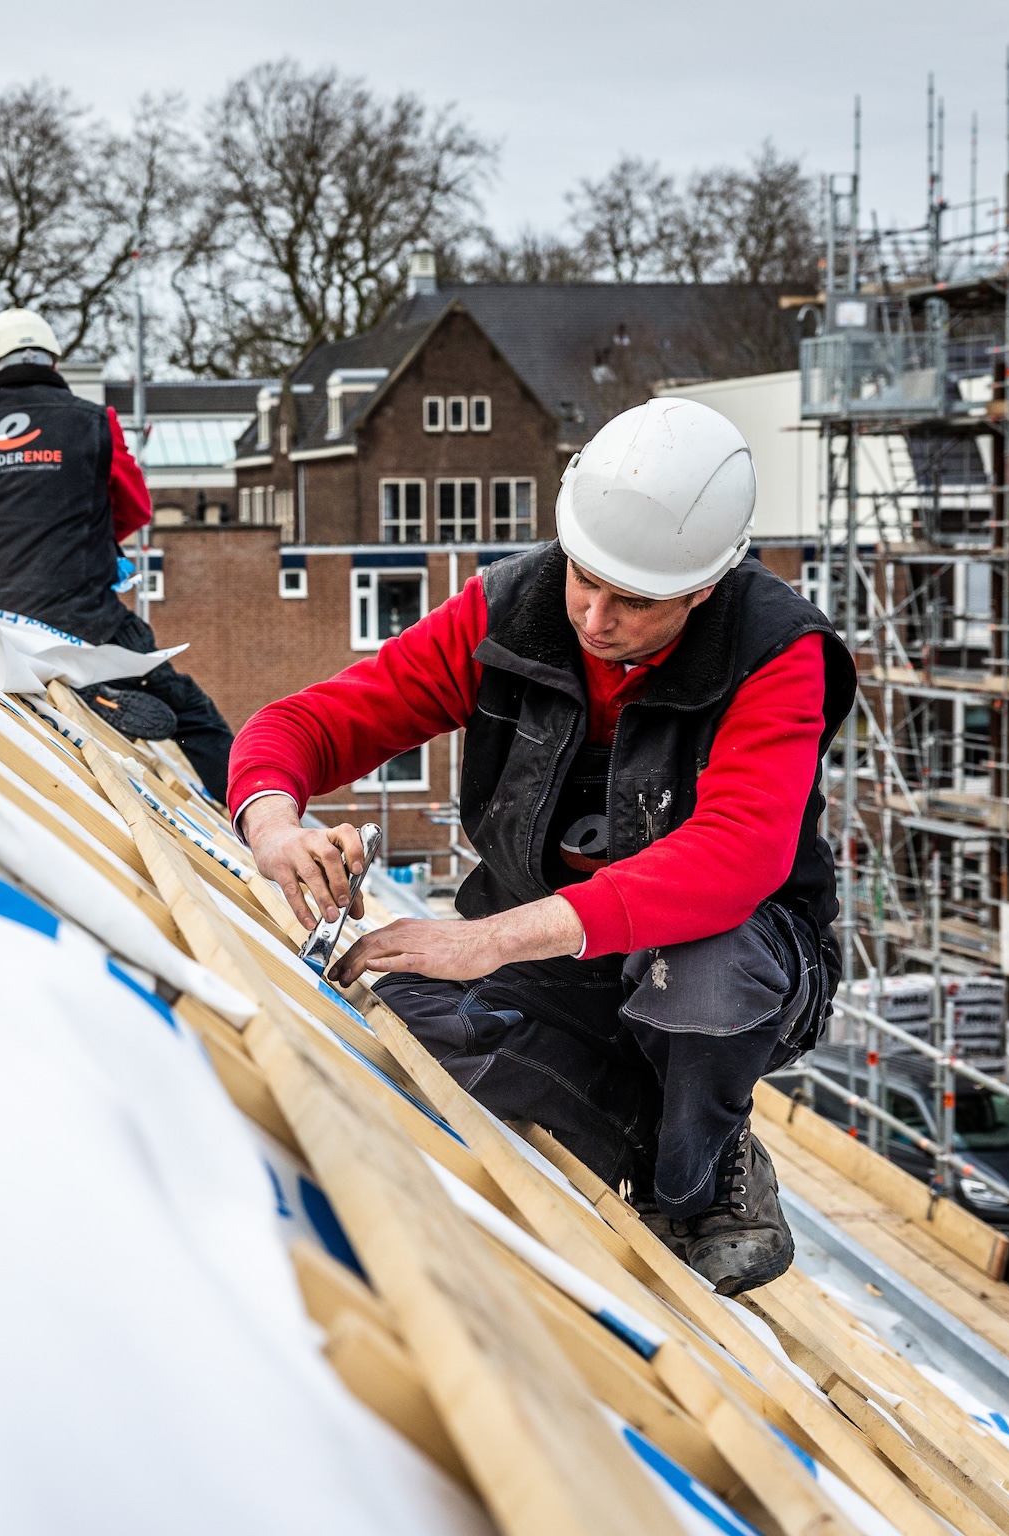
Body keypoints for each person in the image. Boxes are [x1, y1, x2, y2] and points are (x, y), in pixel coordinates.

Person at [228, 398, 856, 1296]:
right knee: (403, 1020)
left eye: (634, 602)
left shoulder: (774, 652)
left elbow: (735, 857)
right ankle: (642, 1132)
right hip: (553, 953)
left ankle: (697, 1186)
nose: (595, 619)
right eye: (583, 578)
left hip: (735, 958)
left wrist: (486, 938)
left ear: (704, 588)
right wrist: (272, 818)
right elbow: (312, 721)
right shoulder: (512, 608)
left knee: (703, 978)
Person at [0, 308, 234, 800]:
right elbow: (135, 508)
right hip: (82, 616)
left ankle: (82, 687)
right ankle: (249, 817)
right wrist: (84, 534)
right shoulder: (94, 422)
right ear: (53, 362)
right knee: (193, 713)